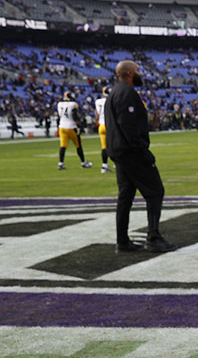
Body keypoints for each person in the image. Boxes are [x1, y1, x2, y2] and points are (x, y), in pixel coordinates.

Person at [105, 60, 175, 253]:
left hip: (119, 152)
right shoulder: (126, 93)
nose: (140, 74)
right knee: (155, 191)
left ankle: (122, 240)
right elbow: (129, 127)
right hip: (131, 152)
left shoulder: (114, 92)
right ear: (128, 74)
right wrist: (144, 152)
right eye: (137, 71)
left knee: (125, 196)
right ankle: (153, 237)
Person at [55, 91, 91, 170]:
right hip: (72, 127)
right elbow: (74, 115)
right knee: (78, 145)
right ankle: (83, 162)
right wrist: (79, 126)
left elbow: (59, 116)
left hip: (62, 127)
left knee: (63, 146)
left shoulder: (59, 104)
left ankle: (61, 163)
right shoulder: (73, 104)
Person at [94, 86, 111, 173]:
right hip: (110, 126)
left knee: (104, 147)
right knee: (114, 145)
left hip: (101, 125)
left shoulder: (98, 101)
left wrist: (97, 121)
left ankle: (104, 166)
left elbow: (96, 113)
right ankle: (118, 164)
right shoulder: (112, 100)